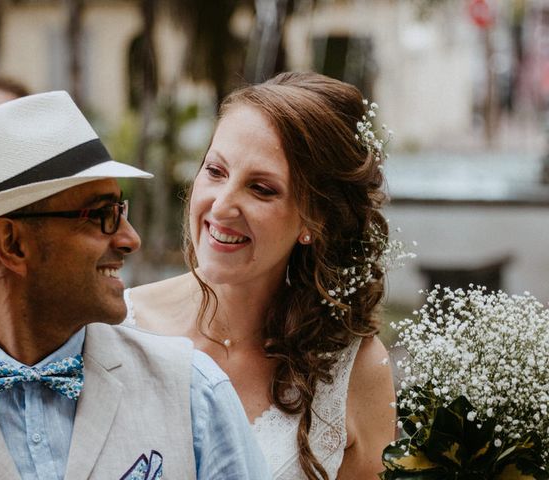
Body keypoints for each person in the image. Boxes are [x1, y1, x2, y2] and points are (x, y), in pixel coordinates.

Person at [0, 91, 270, 479]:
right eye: (102, 215)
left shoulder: (191, 390)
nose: (131, 239)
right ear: (11, 244)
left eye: (122, 210)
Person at [125, 72, 396, 479]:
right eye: (215, 172)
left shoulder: (353, 369)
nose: (221, 207)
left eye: (261, 189)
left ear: (314, 218)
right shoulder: (118, 328)